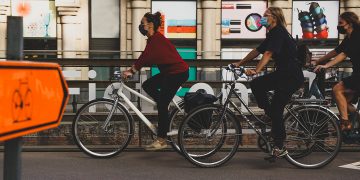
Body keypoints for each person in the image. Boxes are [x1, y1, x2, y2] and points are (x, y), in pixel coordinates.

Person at [232, 7, 304, 157]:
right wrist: (239, 63)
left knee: (276, 107)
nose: (262, 18)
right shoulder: (273, 33)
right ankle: (271, 116)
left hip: (290, 75)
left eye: (266, 15)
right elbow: (257, 51)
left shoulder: (278, 32)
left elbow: (269, 53)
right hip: (284, 74)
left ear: (274, 18)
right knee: (258, 86)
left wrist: (257, 70)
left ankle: (279, 144)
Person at [122, 12, 189, 150]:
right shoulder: (153, 40)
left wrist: (131, 71)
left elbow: (145, 57)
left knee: (162, 104)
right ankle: (164, 107)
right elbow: (145, 56)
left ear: (150, 25)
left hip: (177, 73)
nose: (140, 26)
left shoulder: (157, 39)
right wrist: (132, 69)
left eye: (142, 23)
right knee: (148, 85)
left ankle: (162, 139)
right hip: (169, 72)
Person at [313, 12, 360, 131]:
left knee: (337, 89)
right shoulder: (349, 37)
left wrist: (326, 66)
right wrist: (318, 61)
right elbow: (336, 51)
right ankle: (354, 121)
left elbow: (343, 54)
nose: (338, 26)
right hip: (357, 74)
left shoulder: (357, 35)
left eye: (341, 23)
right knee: (344, 101)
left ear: (349, 24)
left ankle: (345, 123)